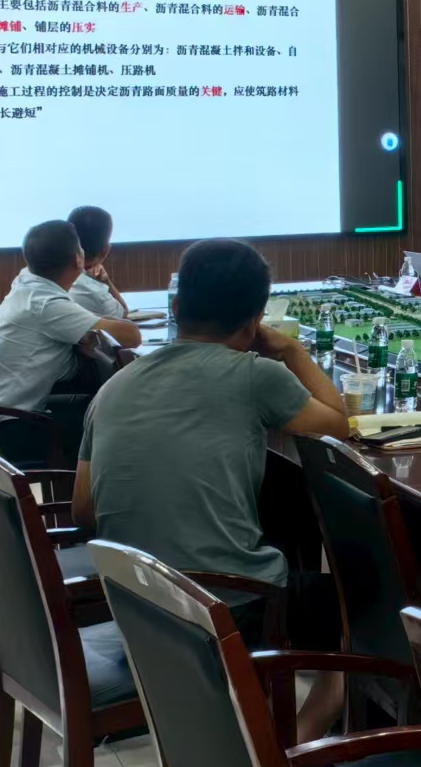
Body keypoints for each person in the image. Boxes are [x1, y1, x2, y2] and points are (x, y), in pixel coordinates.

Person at [72, 238, 350, 739]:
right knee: (348, 599)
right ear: (254, 323)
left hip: (136, 603)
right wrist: (291, 348)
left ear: (176, 308)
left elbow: (84, 510)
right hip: (224, 608)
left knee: (274, 525)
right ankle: (300, 738)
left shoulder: (113, 386)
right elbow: (336, 423)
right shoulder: (256, 374)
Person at [0, 219, 142, 415]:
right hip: (1, 420)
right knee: (110, 411)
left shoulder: (26, 282)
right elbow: (131, 336)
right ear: (78, 259)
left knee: (94, 402)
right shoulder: (47, 305)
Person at [67, 205, 128, 318]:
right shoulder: (96, 293)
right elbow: (123, 314)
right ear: (105, 251)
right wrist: (107, 282)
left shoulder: (48, 277)